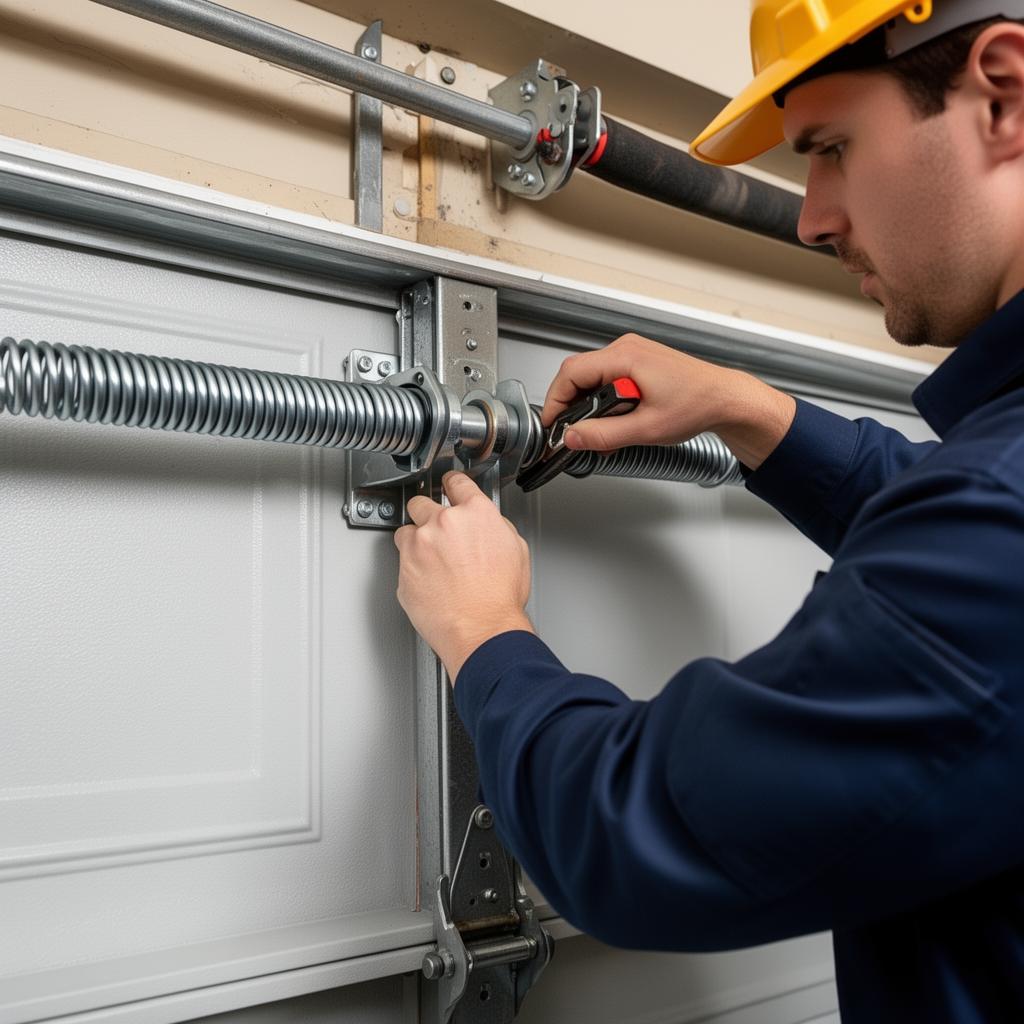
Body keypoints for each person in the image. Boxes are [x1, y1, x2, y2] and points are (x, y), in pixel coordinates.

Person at [393, 2, 1024, 1020]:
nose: (813, 216)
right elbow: (972, 572)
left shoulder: (992, 533)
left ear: (1001, 90)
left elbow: (641, 833)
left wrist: (482, 631)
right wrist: (755, 412)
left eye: (830, 147)